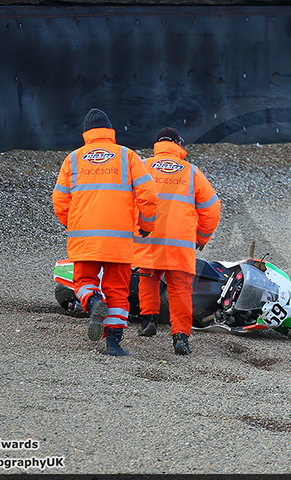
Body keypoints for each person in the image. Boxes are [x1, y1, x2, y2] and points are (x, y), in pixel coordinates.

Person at [52, 108, 158, 356]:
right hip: (119, 242)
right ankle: (114, 343)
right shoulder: (127, 156)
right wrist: (146, 225)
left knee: (83, 281)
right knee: (118, 291)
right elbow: (149, 195)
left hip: (84, 239)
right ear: (110, 131)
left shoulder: (73, 159)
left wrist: (72, 223)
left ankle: (92, 301)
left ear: (86, 134)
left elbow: (59, 200)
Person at [133, 127, 220, 355]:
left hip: (147, 238)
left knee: (148, 278)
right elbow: (212, 207)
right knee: (180, 289)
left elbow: (127, 198)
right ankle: (180, 337)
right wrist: (202, 235)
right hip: (180, 243)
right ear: (179, 145)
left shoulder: (143, 165)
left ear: (157, 145)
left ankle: (148, 322)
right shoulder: (191, 172)